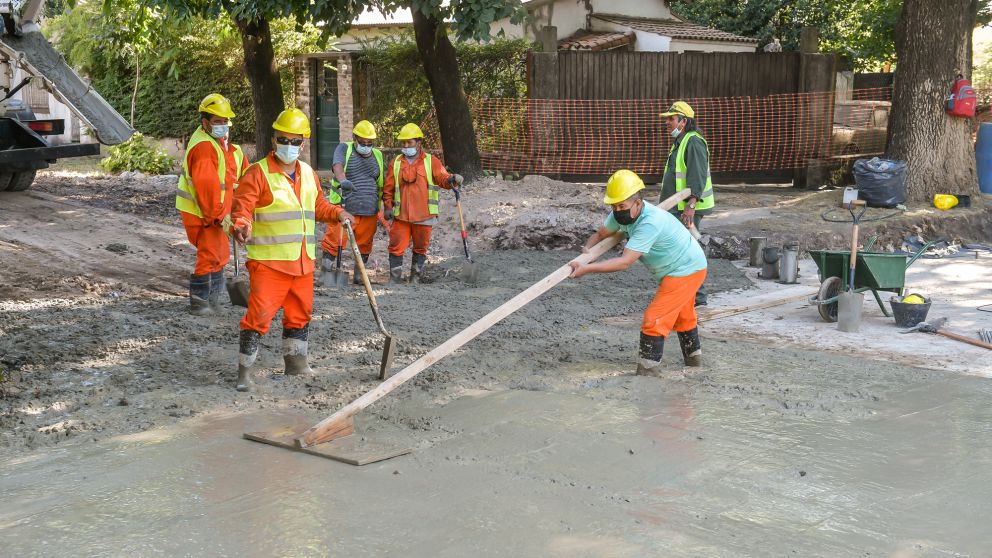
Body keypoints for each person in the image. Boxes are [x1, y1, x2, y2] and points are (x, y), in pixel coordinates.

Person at [230, 108, 354, 392]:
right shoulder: (258, 173)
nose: (289, 145)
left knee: (301, 313)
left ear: (303, 143)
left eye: (295, 141)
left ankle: (296, 364)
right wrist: (241, 225)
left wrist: (337, 213)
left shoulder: (308, 173)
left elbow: (317, 206)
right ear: (274, 140)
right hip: (269, 263)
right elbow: (242, 208)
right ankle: (244, 373)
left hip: (302, 262)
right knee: (259, 317)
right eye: (284, 139)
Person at [569, 170, 707, 374]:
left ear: (638, 203)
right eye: (614, 206)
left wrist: (587, 268)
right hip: (679, 267)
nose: (618, 211)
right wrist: (588, 251)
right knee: (683, 316)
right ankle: (695, 365)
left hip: (686, 269)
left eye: (622, 206)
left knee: (654, 320)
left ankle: (647, 374)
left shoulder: (649, 223)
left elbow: (625, 262)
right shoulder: (621, 215)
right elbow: (601, 234)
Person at [175, 93, 248, 315]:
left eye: (225, 121)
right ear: (205, 122)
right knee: (211, 255)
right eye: (217, 121)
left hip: (214, 213)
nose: (222, 125)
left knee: (219, 254)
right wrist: (219, 219)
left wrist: (233, 217)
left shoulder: (220, 145)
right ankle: (200, 303)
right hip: (205, 214)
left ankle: (212, 300)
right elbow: (207, 190)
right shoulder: (205, 148)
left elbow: (232, 182)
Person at [382, 123, 463, 284]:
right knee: (396, 246)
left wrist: (452, 179)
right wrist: (388, 207)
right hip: (401, 216)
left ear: (419, 142)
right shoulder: (396, 163)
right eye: (403, 142)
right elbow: (388, 188)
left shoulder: (431, 161)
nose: (406, 146)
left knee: (420, 248)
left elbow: (442, 178)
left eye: (409, 142)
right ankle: (395, 280)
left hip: (424, 215)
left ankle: (415, 279)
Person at [659, 101, 714, 306]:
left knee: (689, 251)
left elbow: (697, 176)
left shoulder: (693, 142)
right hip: (678, 207)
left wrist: (691, 206)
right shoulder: (681, 141)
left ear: (683, 121)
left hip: (687, 209)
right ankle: (688, 294)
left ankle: (697, 297)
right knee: (683, 249)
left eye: (671, 119)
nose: (667, 122)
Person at [319, 120, 386, 285]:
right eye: (362, 142)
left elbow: (381, 182)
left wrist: (386, 203)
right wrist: (343, 180)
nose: (366, 146)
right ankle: (326, 274)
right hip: (344, 207)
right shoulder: (344, 148)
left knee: (364, 244)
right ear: (355, 138)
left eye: (369, 143)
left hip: (369, 208)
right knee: (334, 241)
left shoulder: (378, 155)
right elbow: (337, 165)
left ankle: (359, 275)